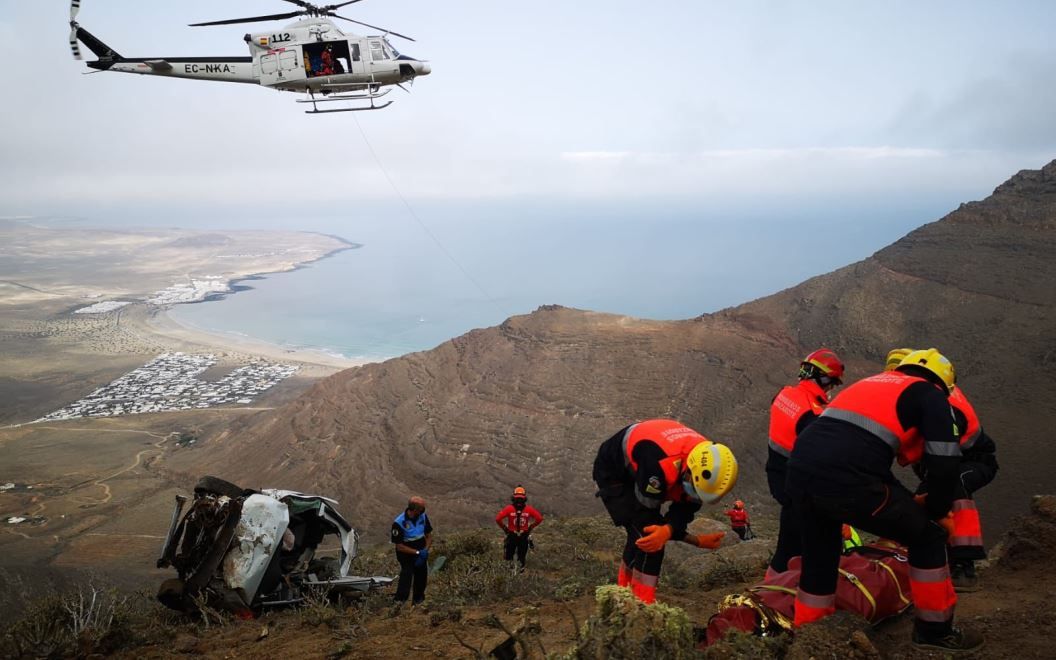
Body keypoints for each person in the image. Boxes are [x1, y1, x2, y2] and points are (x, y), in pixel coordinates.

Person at [786, 348, 983, 652]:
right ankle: (934, 633)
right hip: (848, 477)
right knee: (928, 538)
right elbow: (944, 465)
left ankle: (811, 636)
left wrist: (906, 502)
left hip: (800, 471)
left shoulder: (870, 384)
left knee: (820, 555)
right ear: (943, 383)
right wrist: (935, 511)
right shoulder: (931, 395)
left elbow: (857, 453)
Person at [885, 348, 999, 592]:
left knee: (953, 487)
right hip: (936, 462)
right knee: (929, 499)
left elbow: (943, 452)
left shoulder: (942, 402)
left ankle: (964, 564)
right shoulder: (925, 393)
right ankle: (934, 558)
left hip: (974, 460)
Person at [592, 419, 737, 603]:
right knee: (648, 540)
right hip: (613, 470)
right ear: (689, 470)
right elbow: (650, 522)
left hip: (649, 463)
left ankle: (622, 594)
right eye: (693, 488)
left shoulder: (704, 460)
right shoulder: (659, 466)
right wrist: (692, 539)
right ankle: (642, 605)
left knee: (642, 537)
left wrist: (670, 530)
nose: (693, 494)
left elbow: (686, 507)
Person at [766, 349, 845, 578]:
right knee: (795, 547)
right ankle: (779, 592)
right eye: (831, 383)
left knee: (788, 540)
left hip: (778, 475)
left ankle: (774, 586)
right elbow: (821, 457)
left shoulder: (784, 394)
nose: (831, 389)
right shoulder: (813, 413)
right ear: (823, 378)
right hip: (799, 484)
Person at [391, 496, 432, 608]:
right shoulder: (399, 523)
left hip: (421, 551)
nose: (423, 511)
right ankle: (399, 603)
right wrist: (417, 552)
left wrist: (425, 551)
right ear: (415, 509)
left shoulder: (423, 517)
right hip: (406, 554)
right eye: (422, 509)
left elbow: (428, 536)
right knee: (406, 576)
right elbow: (399, 546)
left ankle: (418, 601)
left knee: (421, 577)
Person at [495, 485, 544, 571]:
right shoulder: (529, 509)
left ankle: (508, 574)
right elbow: (539, 518)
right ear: (524, 498)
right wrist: (530, 527)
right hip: (523, 535)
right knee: (521, 557)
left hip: (511, 535)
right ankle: (520, 574)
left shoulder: (508, 509)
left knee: (508, 557)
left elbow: (498, 519)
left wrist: (505, 528)